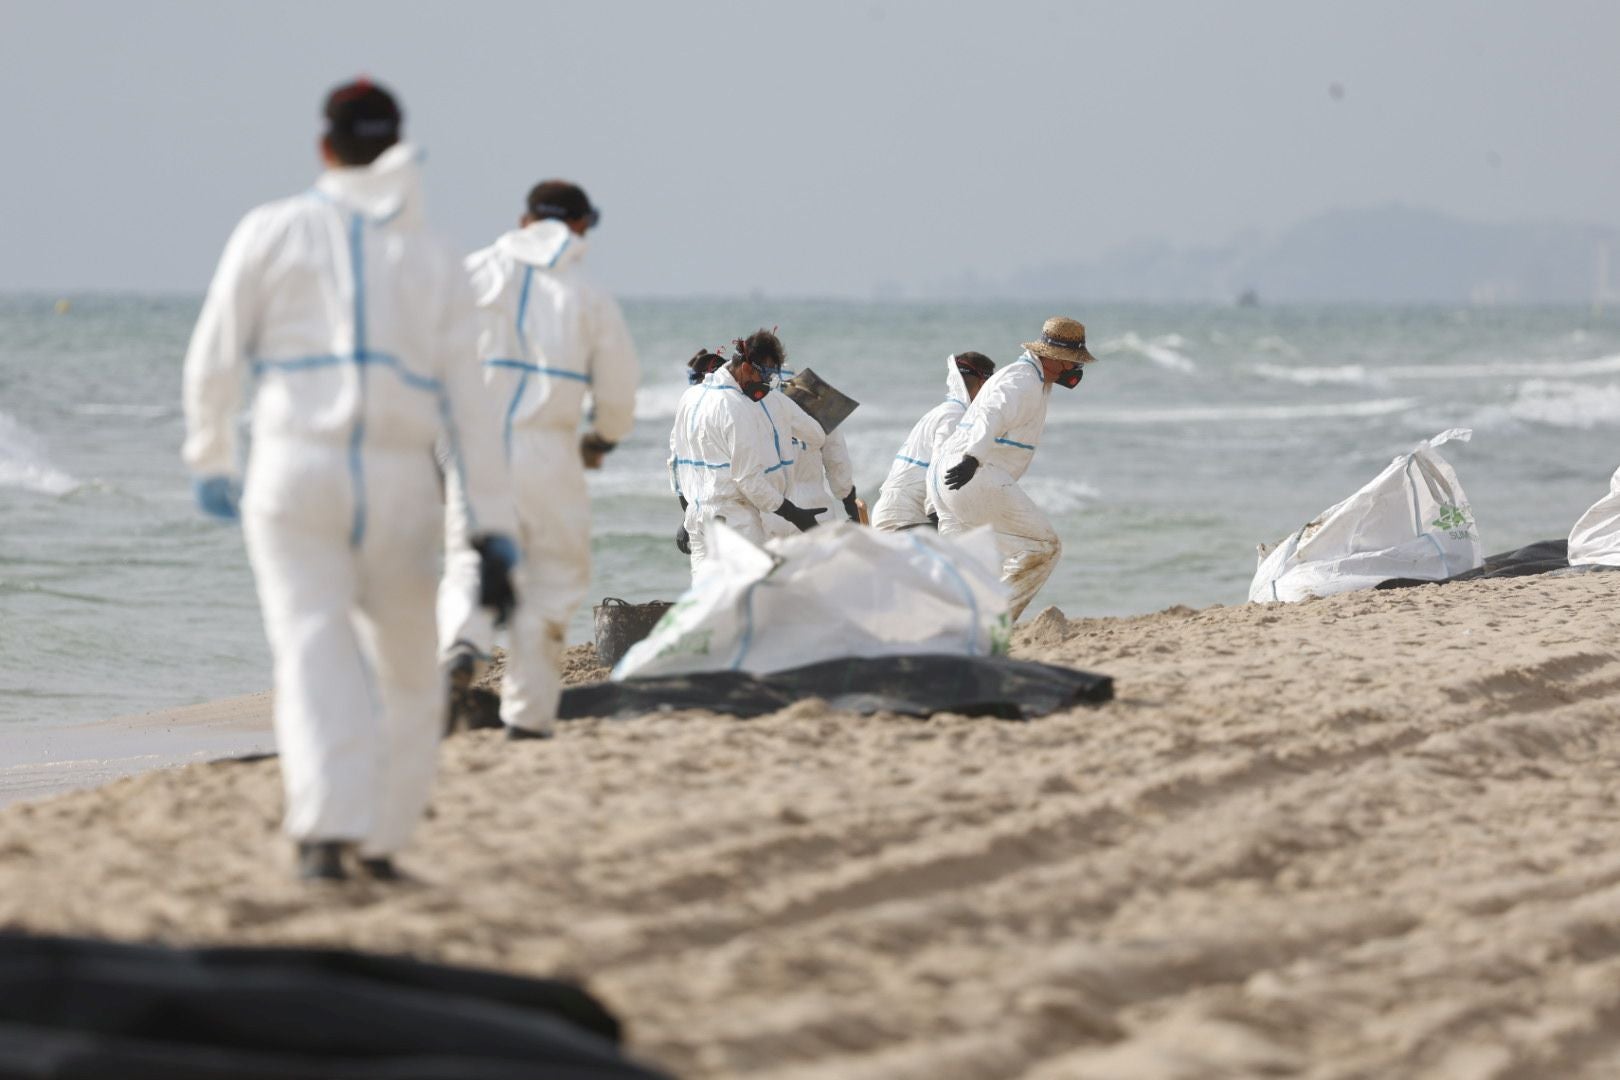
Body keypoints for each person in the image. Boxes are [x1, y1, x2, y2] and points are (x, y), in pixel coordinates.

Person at [182, 79, 519, 882]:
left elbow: (215, 355)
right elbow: (470, 408)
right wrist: (494, 527)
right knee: (407, 668)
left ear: (325, 148)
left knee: (308, 648)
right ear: (397, 145)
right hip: (398, 477)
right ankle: (380, 841)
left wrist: (211, 456)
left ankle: (325, 832)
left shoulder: (270, 229)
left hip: (293, 469)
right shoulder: (433, 253)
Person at [438, 180, 640, 740]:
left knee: (468, 561)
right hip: (548, 452)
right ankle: (527, 721)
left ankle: (463, 642)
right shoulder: (586, 295)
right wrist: (601, 439)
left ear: (524, 218)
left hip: (472, 446)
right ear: (581, 226)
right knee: (548, 584)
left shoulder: (468, 273)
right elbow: (620, 391)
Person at [928, 317, 1095, 621]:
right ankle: (991, 622)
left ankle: (947, 628)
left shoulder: (1031, 378)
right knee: (1042, 548)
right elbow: (992, 414)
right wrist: (973, 457)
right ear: (1054, 358)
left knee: (968, 568)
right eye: (1072, 362)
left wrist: (935, 496)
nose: (1074, 370)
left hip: (947, 477)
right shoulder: (1022, 380)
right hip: (975, 472)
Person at [672, 335, 823, 571]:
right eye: (764, 376)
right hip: (735, 522)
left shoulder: (689, 397)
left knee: (707, 599)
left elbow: (675, 463)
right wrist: (794, 514)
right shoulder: (736, 407)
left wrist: (686, 509)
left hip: (698, 520)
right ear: (744, 367)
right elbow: (748, 480)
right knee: (758, 599)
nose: (765, 384)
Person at [871, 352, 996, 531]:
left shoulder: (945, 410)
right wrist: (937, 515)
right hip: (903, 519)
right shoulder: (956, 415)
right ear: (984, 384)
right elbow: (939, 467)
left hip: (897, 512)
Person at [670, 348, 726, 555]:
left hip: (706, 507)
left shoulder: (691, 405)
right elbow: (677, 465)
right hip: (711, 508)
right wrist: (687, 514)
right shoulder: (703, 407)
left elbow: (676, 466)